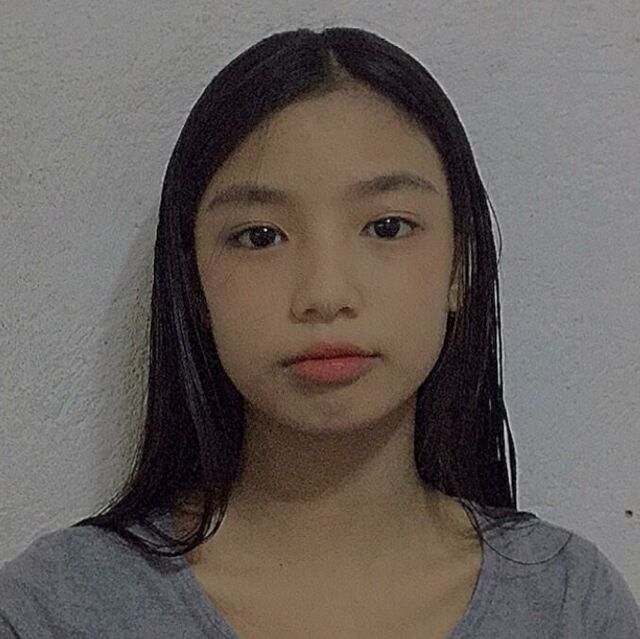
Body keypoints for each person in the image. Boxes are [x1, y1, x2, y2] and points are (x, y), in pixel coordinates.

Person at [1, 25, 638, 639]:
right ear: (193, 283)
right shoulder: (55, 608)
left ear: (461, 267)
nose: (325, 295)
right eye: (260, 237)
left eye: (387, 227)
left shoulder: (567, 603)